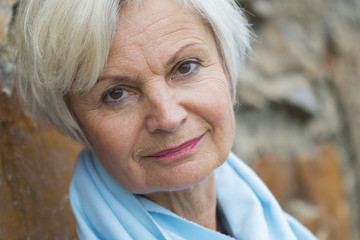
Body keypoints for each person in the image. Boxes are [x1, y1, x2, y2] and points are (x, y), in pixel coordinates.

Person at [14, 0, 318, 239]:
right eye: (116, 94)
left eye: (186, 67)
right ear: (74, 120)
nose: (169, 118)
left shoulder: (271, 226)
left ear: (227, 65)